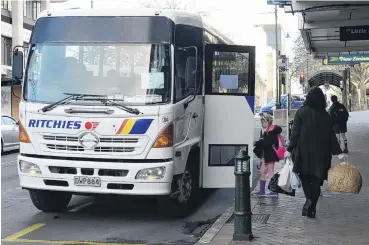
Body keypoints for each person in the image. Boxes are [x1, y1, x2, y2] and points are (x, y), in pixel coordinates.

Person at [285, 87, 345, 219]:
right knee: (317, 181)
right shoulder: (325, 114)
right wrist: (338, 153)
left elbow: (295, 134)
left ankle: (308, 200)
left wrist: (289, 150)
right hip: (321, 154)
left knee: (305, 178)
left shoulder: (301, 112)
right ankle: (312, 207)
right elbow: (331, 135)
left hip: (304, 152)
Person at [252, 114, 282, 197]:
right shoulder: (267, 131)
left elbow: (267, 143)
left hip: (270, 155)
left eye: (263, 122)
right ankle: (262, 191)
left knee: (271, 173)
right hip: (265, 155)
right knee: (262, 172)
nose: (262, 124)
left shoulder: (272, 132)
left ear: (267, 122)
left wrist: (257, 143)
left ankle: (274, 191)